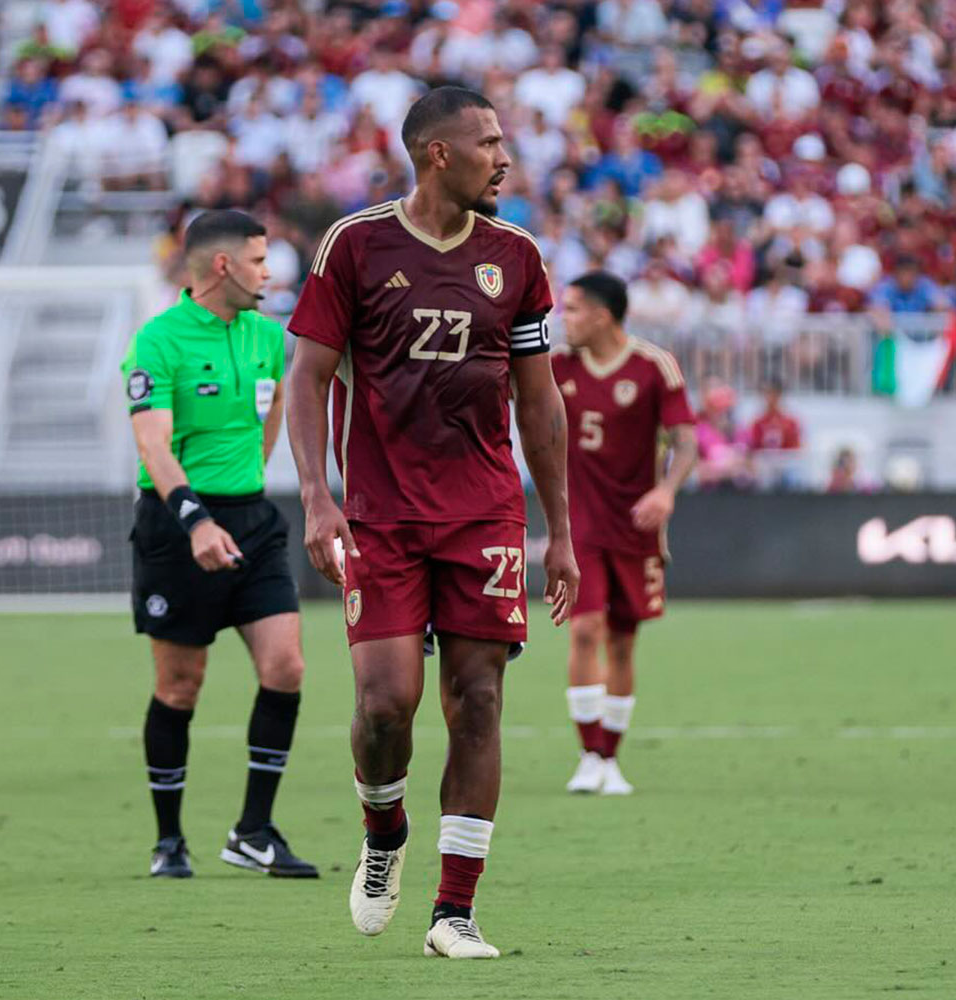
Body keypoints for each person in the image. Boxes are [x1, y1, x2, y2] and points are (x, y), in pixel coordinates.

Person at [287, 86, 579, 959]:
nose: (505, 158)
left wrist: (558, 528)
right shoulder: (357, 245)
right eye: (488, 143)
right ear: (438, 154)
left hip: (483, 512)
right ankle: (383, 835)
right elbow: (307, 378)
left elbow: (540, 399)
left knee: (479, 700)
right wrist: (316, 492)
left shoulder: (517, 257)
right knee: (386, 706)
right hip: (378, 514)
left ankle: (454, 912)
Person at [120, 210, 317, 881]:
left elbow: (273, 417)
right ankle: (168, 840)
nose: (272, 272)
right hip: (176, 527)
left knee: (286, 667)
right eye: (262, 261)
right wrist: (197, 520)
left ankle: (254, 831)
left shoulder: (268, 337)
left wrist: (245, 495)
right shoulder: (157, 341)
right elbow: (152, 444)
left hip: (254, 522)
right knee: (180, 684)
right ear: (224, 266)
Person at [552, 272, 697, 796]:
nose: (562, 318)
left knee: (622, 640)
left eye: (571, 309)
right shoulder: (556, 365)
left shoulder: (653, 366)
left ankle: (610, 758)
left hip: (635, 526)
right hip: (578, 525)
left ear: (602, 315)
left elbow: (686, 441)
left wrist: (667, 491)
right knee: (584, 629)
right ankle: (589, 754)